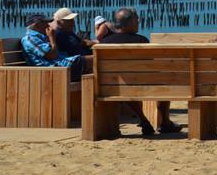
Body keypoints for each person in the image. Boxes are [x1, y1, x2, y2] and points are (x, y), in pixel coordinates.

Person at [98, 7, 181, 135]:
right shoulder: (141, 41)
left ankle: (143, 119)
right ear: (129, 22)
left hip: (112, 87)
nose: (138, 22)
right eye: (136, 19)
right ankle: (165, 122)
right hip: (143, 86)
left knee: (126, 85)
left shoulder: (104, 43)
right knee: (164, 81)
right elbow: (151, 65)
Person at [21, 14, 91, 81]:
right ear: (37, 25)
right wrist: (52, 38)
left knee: (95, 60)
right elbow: (51, 56)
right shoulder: (30, 39)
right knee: (93, 60)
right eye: (45, 23)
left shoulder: (41, 37)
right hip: (53, 70)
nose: (48, 25)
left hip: (61, 66)